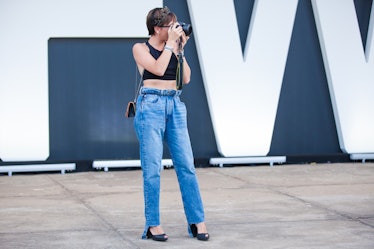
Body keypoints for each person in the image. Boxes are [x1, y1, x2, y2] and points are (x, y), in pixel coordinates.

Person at [132, 6, 209, 242]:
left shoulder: (175, 48)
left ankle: (197, 221)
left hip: (175, 105)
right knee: (153, 168)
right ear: (157, 28)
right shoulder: (140, 48)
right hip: (151, 106)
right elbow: (156, 69)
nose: (176, 29)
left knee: (186, 164)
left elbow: (185, 78)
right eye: (171, 26)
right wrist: (169, 47)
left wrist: (180, 48)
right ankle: (153, 224)